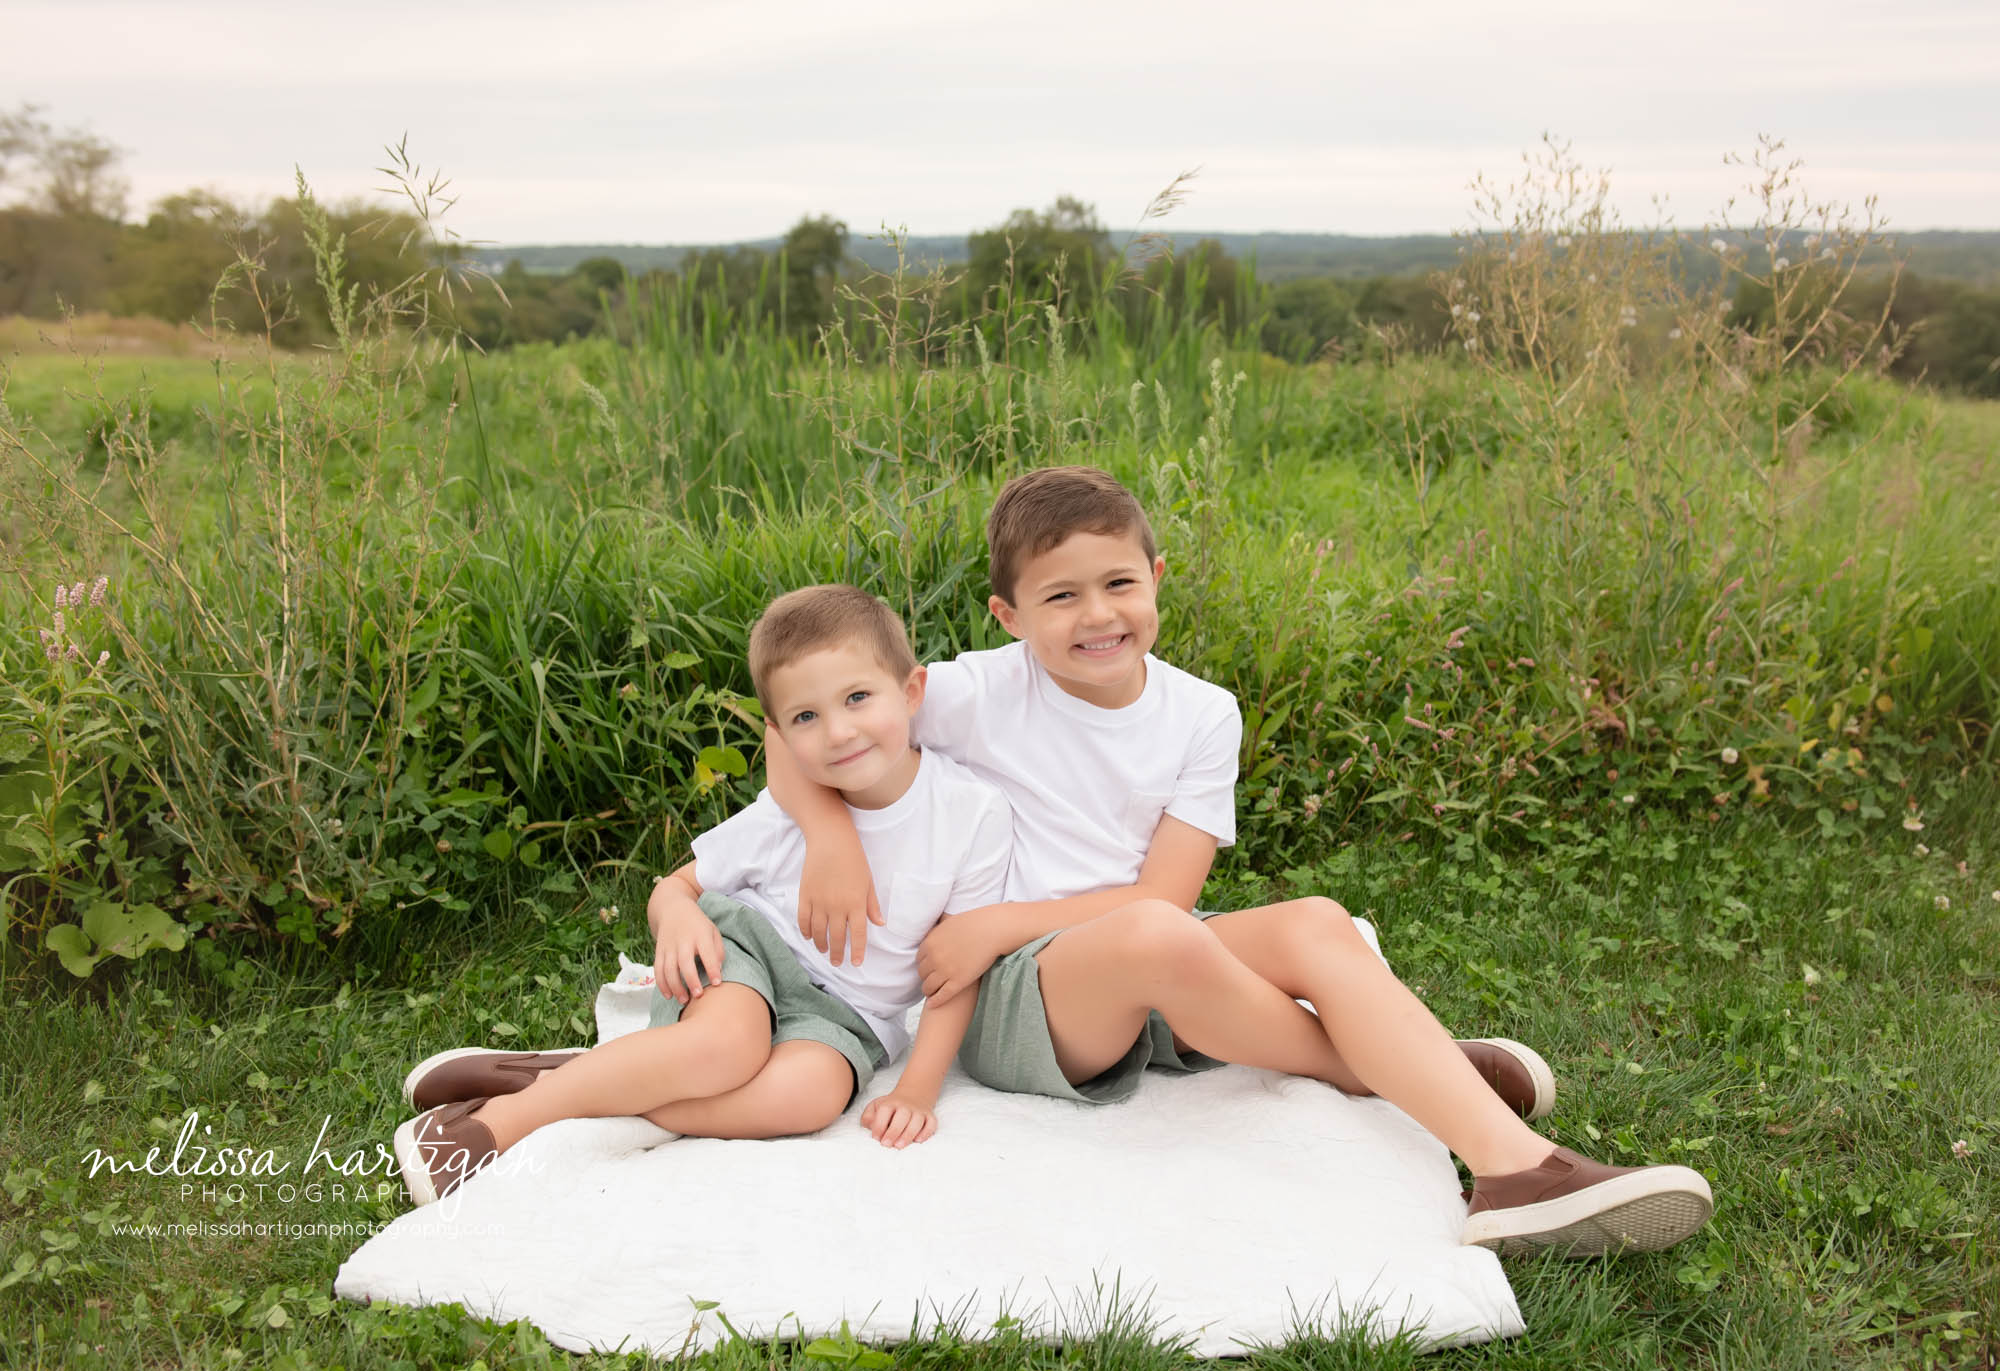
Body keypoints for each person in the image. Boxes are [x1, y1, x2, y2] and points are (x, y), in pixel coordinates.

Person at [763, 466, 1714, 1258]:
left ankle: (1503, 1163)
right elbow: (793, 726)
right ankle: (1435, 1097)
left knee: (1316, 921)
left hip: (1127, 944)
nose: (1097, 616)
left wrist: (995, 921)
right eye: (1060, 597)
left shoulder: (1201, 711)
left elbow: (1170, 898)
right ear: (1009, 615)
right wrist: (836, 840)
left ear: (1157, 577)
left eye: (1118, 584)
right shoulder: (972, 692)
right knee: (1153, 937)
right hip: (1014, 996)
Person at [394, 584, 1011, 1204]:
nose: (838, 732)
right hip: (746, 954)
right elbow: (678, 886)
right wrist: (679, 917)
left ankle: (590, 1081)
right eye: (806, 717)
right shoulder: (791, 810)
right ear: (779, 732)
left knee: (808, 1099)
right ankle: (498, 1126)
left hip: (851, 1019)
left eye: (857, 698)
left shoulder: (971, 815)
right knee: (725, 1048)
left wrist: (916, 1090)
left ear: (910, 693)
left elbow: (957, 968)